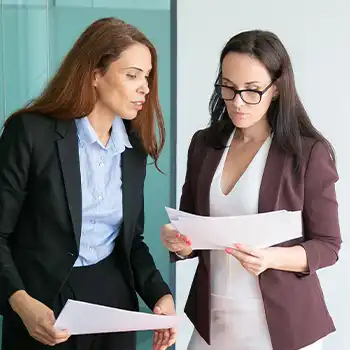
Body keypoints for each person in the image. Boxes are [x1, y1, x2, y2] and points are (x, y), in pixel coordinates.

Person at [0, 17, 176, 350]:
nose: (146, 88)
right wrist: (20, 302)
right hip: (42, 304)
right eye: (133, 75)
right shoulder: (30, 133)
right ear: (96, 75)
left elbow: (131, 241)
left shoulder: (133, 148)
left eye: (148, 77)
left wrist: (160, 294)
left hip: (113, 303)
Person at [160, 30, 341, 350]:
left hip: (283, 328)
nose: (238, 102)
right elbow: (191, 229)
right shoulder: (204, 145)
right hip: (213, 320)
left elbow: (328, 246)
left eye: (252, 91)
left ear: (276, 89)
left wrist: (271, 258)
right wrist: (179, 243)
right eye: (228, 88)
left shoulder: (307, 153)